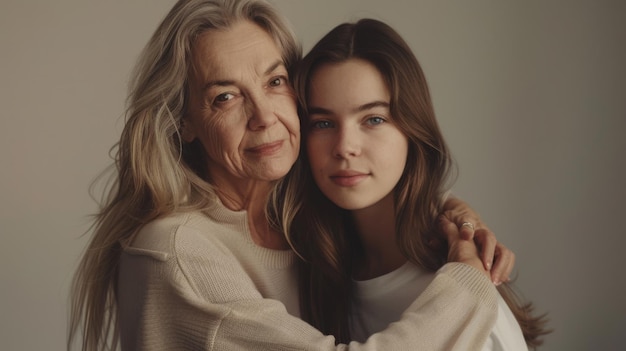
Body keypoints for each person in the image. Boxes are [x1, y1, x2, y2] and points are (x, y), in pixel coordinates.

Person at [68, 1, 516, 350]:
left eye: (274, 81)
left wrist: (455, 217)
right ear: (183, 121)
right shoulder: (178, 253)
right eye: (225, 96)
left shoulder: (300, 217)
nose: (264, 116)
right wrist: (470, 279)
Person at [280, 18, 551, 350]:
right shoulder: (311, 265)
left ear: (412, 131)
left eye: (374, 119)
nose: (344, 146)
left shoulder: (466, 297)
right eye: (322, 123)